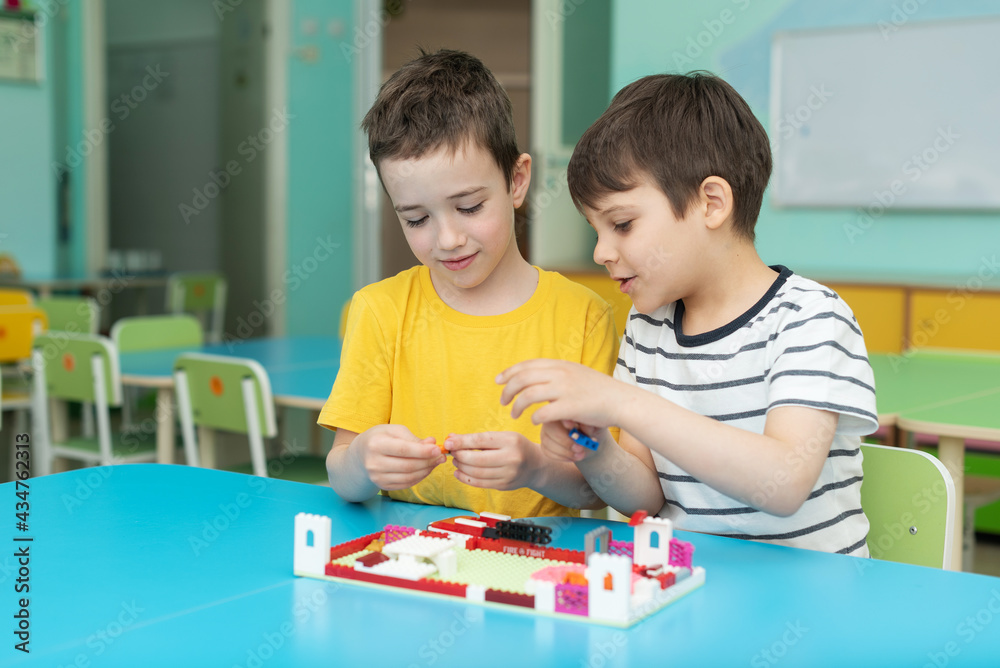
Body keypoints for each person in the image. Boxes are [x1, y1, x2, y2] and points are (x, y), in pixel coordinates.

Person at [497, 72, 879, 555]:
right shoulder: (648, 329)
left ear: (711, 203)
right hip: (687, 588)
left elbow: (782, 483)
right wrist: (594, 450)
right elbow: (648, 497)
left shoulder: (810, 318)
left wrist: (619, 401)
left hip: (811, 607)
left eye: (621, 224)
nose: (601, 252)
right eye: (596, 230)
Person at [319, 49, 617, 518]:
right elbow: (342, 474)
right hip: (405, 560)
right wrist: (362, 462)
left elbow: (597, 491)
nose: (448, 239)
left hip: (532, 563)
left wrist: (537, 470)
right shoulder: (380, 310)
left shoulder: (584, 317)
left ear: (517, 181)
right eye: (416, 219)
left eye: (470, 207)